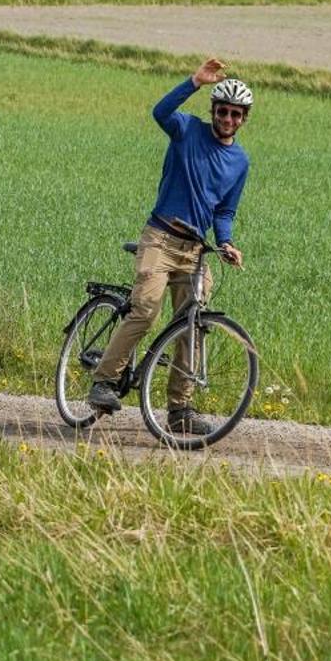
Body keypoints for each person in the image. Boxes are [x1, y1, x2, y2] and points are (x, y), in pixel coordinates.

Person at [86, 58, 252, 435]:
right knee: (145, 309)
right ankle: (104, 382)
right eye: (222, 111)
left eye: (235, 114)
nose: (227, 118)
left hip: (194, 250)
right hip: (160, 237)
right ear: (213, 111)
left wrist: (226, 242)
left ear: (244, 119)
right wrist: (194, 81)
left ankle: (180, 409)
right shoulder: (186, 129)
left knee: (192, 324)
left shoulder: (240, 161)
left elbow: (225, 210)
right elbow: (160, 111)